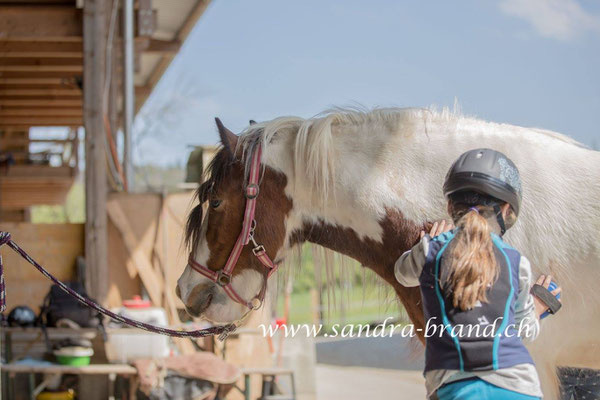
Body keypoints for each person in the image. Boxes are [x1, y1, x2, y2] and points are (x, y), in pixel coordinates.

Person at [395, 148, 562, 400]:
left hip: (454, 389)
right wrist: (538, 307)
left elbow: (401, 273)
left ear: (450, 205)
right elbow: (522, 330)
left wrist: (427, 243)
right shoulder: (516, 263)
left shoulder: (431, 250)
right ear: (506, 210)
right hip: (518, 389)